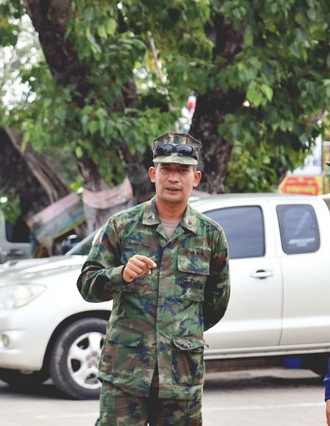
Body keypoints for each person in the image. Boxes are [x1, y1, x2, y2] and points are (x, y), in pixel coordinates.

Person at [77, 132, 231, 425]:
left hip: (181, 376)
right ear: (153, 174)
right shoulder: (122, 226)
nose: (174, 178)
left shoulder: (210, 236)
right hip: (126, 373)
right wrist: (119, 274)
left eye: (182, 170)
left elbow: (216, 303)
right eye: (166, 169)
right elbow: (87, 284)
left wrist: (179, 333)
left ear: (195, 178)